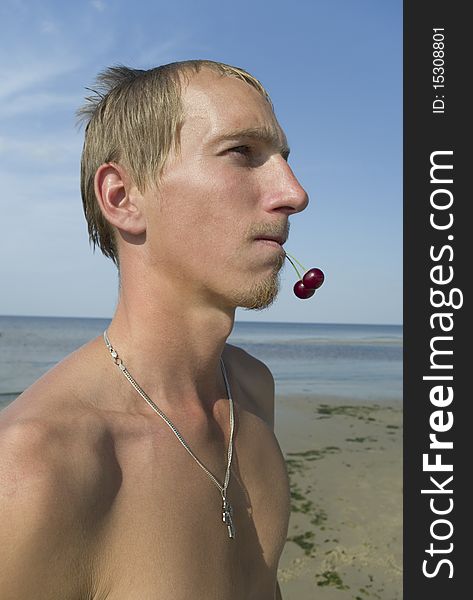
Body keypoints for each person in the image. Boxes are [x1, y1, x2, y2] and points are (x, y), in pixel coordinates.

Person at [0, 60, 308, 599]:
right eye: (242, 153)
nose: (294, 193)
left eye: (283, 158)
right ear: (123, 197)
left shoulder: (253, 390)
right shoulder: (37, 468)